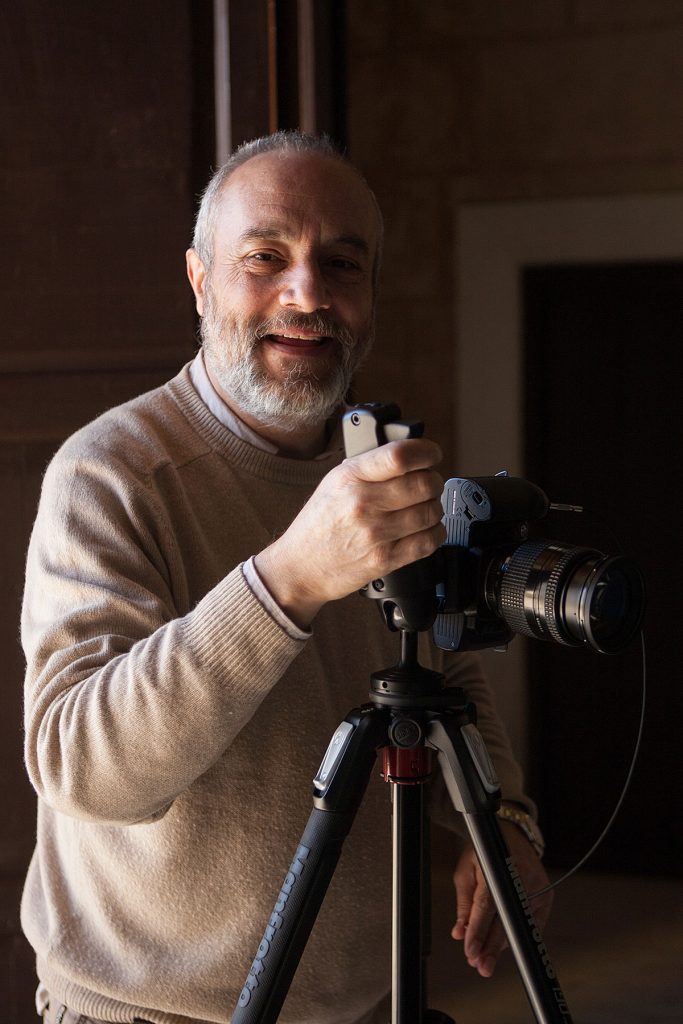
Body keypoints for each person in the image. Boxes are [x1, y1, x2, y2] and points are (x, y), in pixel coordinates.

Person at [21, 131, 551, 1024]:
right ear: (199, 281)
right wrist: (290, 579)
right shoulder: (109, 473)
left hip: (357, 1005)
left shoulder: (374, 462)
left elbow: (442, 664)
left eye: (341, 264)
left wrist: (502, 823)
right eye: (265, 258)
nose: (308, 295)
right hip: (145, 1012)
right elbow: (81, 769)